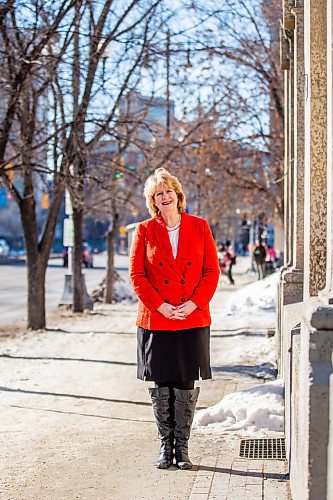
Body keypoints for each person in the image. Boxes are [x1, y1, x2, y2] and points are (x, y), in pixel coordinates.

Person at [129, 167, 220, 470]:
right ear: (152, 201)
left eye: (168, 191)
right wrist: (161, 306)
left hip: (192, 316)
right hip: (158, 318)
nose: (164, 197)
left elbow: (211, 272)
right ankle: (165, 447)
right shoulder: (144, 230)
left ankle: (183, 448)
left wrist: (193, 304)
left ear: (178, 195)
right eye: (158, 194)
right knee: (161, 382)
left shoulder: (199, 226)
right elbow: (137, 275)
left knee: (184, 382)